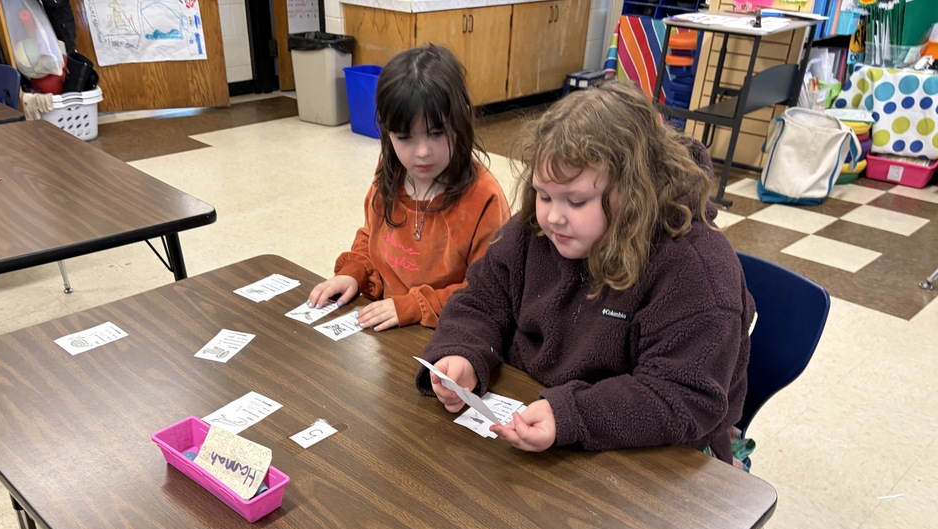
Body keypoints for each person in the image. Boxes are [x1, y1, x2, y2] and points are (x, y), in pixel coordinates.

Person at [415, 81, 755, 462]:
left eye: (576, 201)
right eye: (543, 195)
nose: (553, 216)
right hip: (544, 423)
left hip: (657, 458)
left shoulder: (696, 269)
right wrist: (463, 350)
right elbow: (483, 297)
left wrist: (572, 414)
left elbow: (683, 396)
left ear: (634, 191)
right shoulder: (537, 229)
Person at [307, 44, 510, 331]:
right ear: (387, 131)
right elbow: (372, 236)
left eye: (437, 133)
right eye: (404, 137)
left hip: (453, 335)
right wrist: (354, 273)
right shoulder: (390, 172)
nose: (422, 152)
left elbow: (488, 291)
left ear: (462, 118)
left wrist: (414, 306)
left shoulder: (483, 197)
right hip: (391, 329)